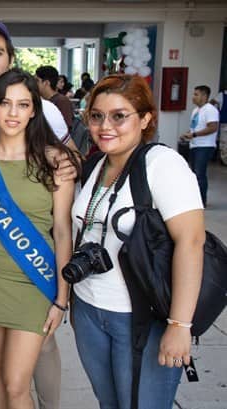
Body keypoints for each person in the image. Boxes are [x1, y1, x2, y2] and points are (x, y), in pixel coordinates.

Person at [0, 18, 75, 409]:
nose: (13, 112)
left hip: (33, 281)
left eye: (24, 105)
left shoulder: (56, 161)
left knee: (18, 385)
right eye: (6, 104)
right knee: (3, 376)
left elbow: (62, 230)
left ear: (36, 111)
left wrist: (62, 296)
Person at [72, 74, 204, 408]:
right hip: (89, 307)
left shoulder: (163, 164)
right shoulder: (96, 164)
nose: (106, 126)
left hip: (141, 317)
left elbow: (191, 242)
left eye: (119, 115)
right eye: (97, 116)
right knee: (110, 402)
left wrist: (179, 325)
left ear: (144, 119)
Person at [180, 85, 219, 206]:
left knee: (200, 173)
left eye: (196, 94)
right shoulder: (196, 111)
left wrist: (195, 134)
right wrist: (188, 134)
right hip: (195, 145)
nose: (193, 97)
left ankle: (201, 200)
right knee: (194, 174)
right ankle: (195, 198)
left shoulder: (210, 110)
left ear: (204, 96)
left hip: (205, 146)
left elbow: (213, 127)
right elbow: (195, 126)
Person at [36, 65, 75, 130]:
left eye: (37, 81)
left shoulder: (62, 101)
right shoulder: (43, 101)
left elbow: (65, 129)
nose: (34, 84)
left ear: (46, 83)